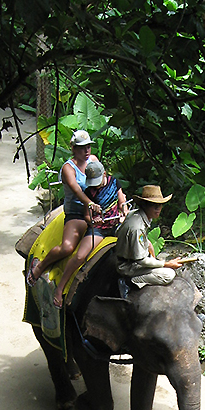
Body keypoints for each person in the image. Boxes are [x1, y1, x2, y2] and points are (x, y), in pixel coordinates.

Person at [26, 129, 102, 286]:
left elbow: (104, 179)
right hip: (77, 213)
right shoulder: (69, 168)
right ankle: (40, 266)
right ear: (73, 148)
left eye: (88, 147)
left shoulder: (94, 160)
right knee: (68, 247)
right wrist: (91, 204)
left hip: (95, 211)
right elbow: (77, 190)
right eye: (82, 148)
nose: (86, 151)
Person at [52, 159, 129, 308]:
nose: (95, 185)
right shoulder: (89, 192)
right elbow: (86, 216)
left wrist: (123, 214)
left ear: (105, 174)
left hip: (117, 225)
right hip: (100, 229)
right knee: (80, 256)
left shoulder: (115, 183)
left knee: (141, 243)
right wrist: (93, 221)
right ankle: (60, 287)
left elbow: (122, 203)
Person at [114, 185, 183, 289]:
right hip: (128, 266)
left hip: (129, 259)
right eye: (153, 205)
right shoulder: (137, 228)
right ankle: (130, 282)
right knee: (169, 274)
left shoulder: (133, 214)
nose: (158, 208)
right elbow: (141, 260)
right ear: (145, 205)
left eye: (159, 205)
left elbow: (118, 232)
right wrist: (166, 264)